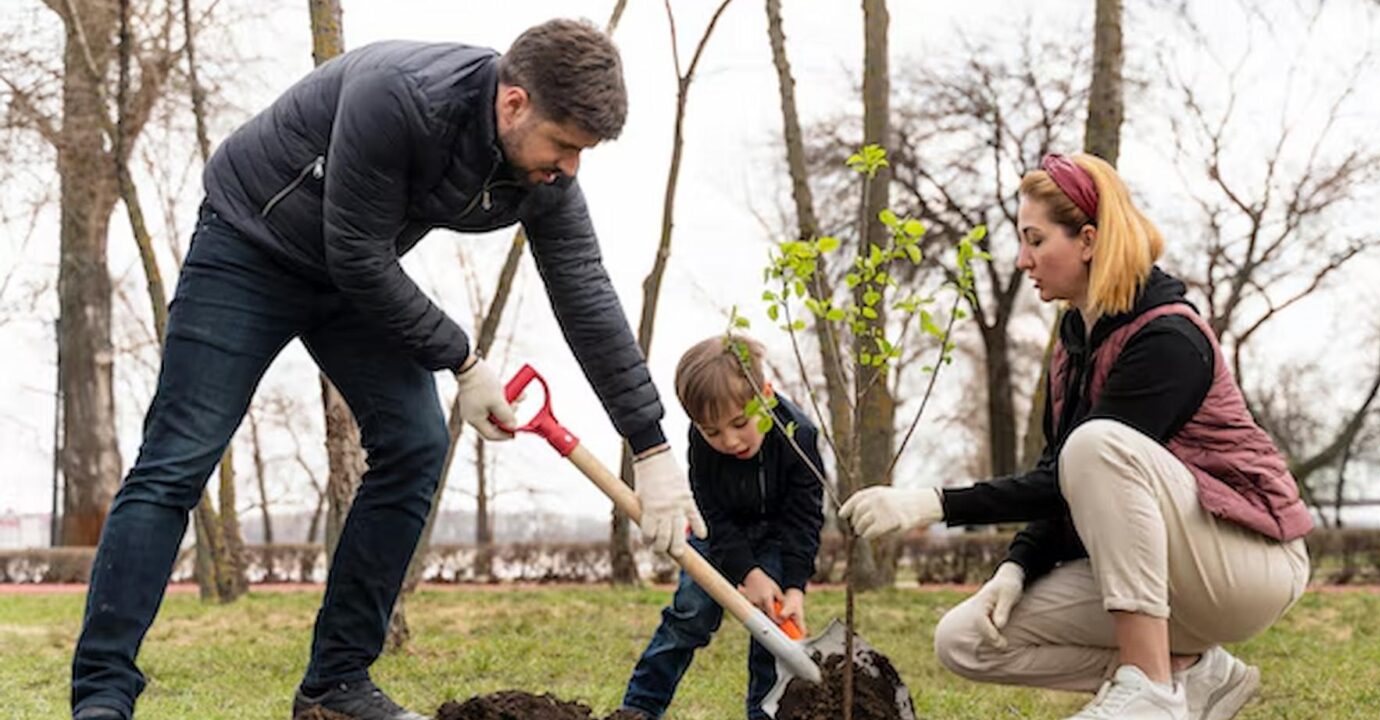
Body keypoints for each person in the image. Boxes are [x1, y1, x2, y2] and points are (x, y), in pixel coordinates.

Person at [70, 20, 706, 720]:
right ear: (515, 102)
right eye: (563, 146)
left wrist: (649, 443)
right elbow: (357, 255)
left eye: (582, 154)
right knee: (177, 462)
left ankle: (336, 684)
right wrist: (462, 359)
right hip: (249, 248)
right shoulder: (401, 96)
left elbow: (584, 292)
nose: (568, 168)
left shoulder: (543, 176)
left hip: (352, 275)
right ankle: (102, 693)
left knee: (415, 444)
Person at [839, 153, 1312, 720]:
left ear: (1087, 239)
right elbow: (1061, 476)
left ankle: (1151, 690)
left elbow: (1079, 467)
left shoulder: (1168, 338)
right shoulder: (1075, 338)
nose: (1022, 259)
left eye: (1035, 240)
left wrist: (928, 503)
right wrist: (1015, 569)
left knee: (1096, 444)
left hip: (1247, 565)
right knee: (965, 638)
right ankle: (1195, 673)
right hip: (1174, 574)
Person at [616, 335, 825, 720]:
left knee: (772, 634)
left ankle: (763, 716)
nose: (728, 441)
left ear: (766, 394)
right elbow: (710, 511)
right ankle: (639, 709)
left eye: (740, 423)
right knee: (689, 616)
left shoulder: (801, 437)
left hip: (777, 539)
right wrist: (746, 571)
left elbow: (804, 518)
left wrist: (794, 585)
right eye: (712, 431)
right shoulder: (700, 442)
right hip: (718, 536)